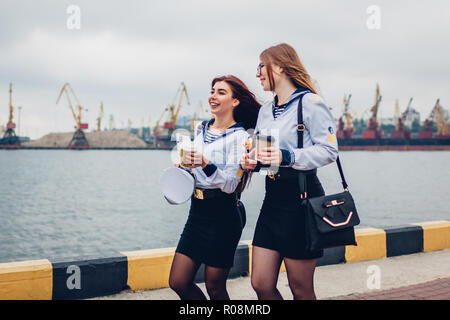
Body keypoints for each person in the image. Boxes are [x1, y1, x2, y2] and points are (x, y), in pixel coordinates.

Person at [241, 43, 338, 300]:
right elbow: (268, 155)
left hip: (302, 199)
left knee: (300, 287)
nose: (258, 73)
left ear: (280, 67)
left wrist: (288, 155)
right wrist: (254, 161)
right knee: (260, 282)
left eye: (262, 66)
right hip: (272, 199)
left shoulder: (311, 103)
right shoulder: (265, 110)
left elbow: (329, 151)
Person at [169, 75, 260, 300]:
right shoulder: (202, 128)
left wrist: (205, 163)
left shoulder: (239, 137)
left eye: (221, 92)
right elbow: (195, 172)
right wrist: (181, 170)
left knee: (214, 287)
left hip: (224, 215)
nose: (213, 96)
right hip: (197, 212)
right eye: (212, 91)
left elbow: (230, 185)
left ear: (235, 101)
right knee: (178, 281)